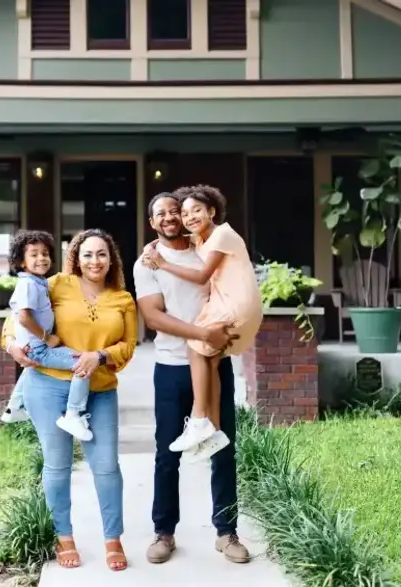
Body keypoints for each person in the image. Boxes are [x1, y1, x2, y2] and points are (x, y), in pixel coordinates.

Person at [2, 228, 137, 572]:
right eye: (87, 254)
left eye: (101, 254)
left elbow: (127, 348)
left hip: (99, 390)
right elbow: (15, 317)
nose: (95, 261)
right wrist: (12, 347)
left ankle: (112, 538)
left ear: (111, 259)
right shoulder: (56, 283)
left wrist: (100, 356)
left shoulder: (123, 299)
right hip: (47, 387)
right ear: (76, 257)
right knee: (57, 465)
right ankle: (64, 537)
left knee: (106, 467)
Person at [134, 190, 252, 565]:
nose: (170, 217)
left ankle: (226, 532)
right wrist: (203, 334)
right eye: (161, 214)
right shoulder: (147, 263)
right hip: (171, 366)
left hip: (215, 363)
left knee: (223, 449)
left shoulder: (206, 248)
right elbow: (153, 317)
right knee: (167, 455)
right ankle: (164, 533)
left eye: (175, 211)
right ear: (152, 223)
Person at [143, 185, 262, 460]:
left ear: (212, 211)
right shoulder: (203, 239)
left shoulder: (222, 234)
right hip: (231, 304)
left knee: (196, 346)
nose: (189, 217)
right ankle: (215, 432)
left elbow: (201, 277)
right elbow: (177, 237)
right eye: (185, 213)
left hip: (235, 305)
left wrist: (161, 262)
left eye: (196, 210)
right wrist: (153, 245)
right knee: (210, 359)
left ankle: (198, 419)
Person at [0, 230, 94, 442]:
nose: (41, 258)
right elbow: (21, 317)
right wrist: (45, 337)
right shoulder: (30, 284)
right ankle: (73, 414)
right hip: (39, 346)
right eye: (34, 254)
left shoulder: (39, 282)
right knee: (83, 363)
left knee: (30, 367)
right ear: (21, 262)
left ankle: (14, 406)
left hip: (34, 346)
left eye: (45, 254)